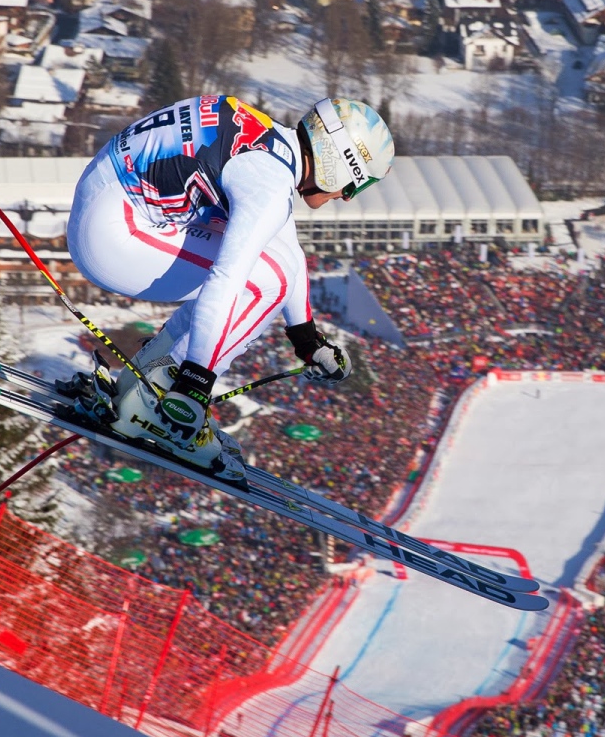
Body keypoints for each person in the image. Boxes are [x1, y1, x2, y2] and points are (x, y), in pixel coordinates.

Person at [57, 95, 395, 485]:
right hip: (114, 236)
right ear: (340, 163)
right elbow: (230, 278)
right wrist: (196, 383)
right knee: (264, 280)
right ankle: (164, 402)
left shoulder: (271, 146)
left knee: (274, 267)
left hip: (109, 207)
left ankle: (146, 382)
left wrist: (307, 339)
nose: (348, 196)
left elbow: (287, 247)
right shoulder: (268, 182)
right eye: (355, 184)